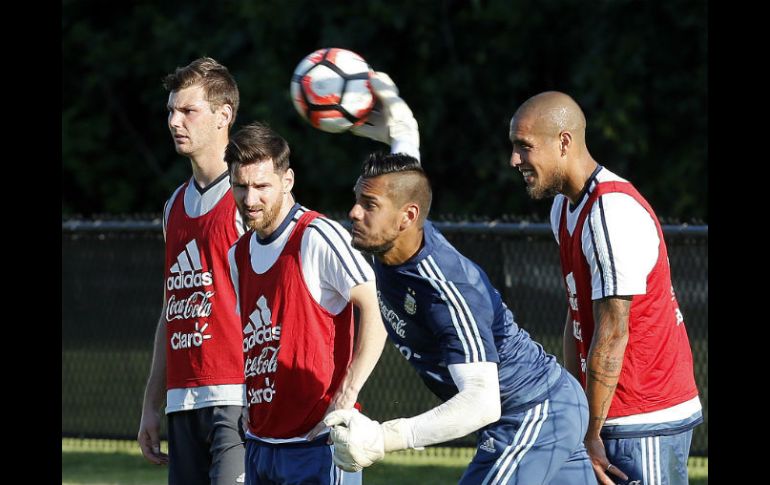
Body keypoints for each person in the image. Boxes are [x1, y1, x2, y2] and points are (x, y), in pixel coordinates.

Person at [325, 153, 598, 485]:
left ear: (407, 217)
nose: (354, 212)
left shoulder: (447, 290)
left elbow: (481, 403)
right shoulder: (399, 239)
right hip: (539, 408)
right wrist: (398, 121)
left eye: (369, 205)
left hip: (533, 411)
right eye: (357, 200)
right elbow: (408, 176)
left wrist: (385, 437)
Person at [508, 91, 702, 485]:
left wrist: (591, 432)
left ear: (564, 141)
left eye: (524, 147)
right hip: (608, 413)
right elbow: (576, 314)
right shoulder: (562, 207)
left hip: (644, 417)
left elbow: (613, 333)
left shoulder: (611, 211)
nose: (514, 160)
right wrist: (577, 410)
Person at [224, 120, 397, 485]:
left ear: (287, 181)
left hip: (318, 443)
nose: (250, 198)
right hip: (260, 444)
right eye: (240, 186)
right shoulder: (237, 254)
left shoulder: (316, 235)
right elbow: (253, 341)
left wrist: (346, 396)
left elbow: (376, 307)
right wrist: (245, 404)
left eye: (261, 186)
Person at [137, 57, 247, 485]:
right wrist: (152, 401)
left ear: (224, 115)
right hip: (183, 401)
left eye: (188, 110)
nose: (174, 121)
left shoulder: (250, 199)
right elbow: (172, 308)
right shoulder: (173, 207)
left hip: (237, 397)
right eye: (170, 111)